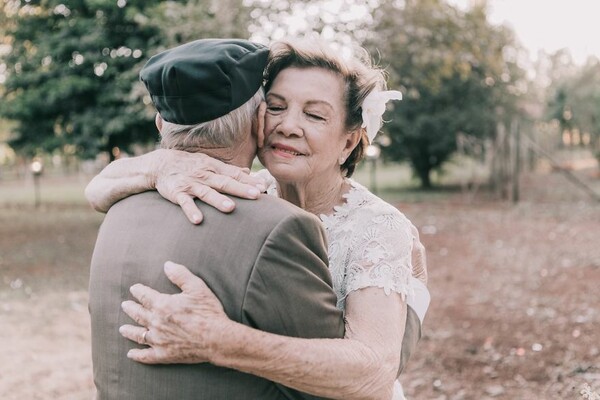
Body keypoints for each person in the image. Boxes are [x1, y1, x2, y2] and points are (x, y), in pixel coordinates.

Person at [87, 38, 430, 400]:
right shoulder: (241, 187)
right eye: (277, 107)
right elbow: (97, 190)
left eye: (314, 115)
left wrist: (217, 339)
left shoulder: (377, 226)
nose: (287, 126)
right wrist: (161, 163)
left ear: (348, 143)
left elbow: (372, 373)